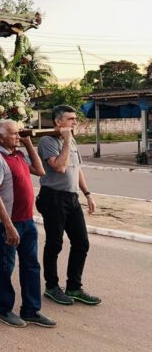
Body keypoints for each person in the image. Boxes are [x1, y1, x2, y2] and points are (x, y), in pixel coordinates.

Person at [0, 119, 56, 328]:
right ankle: (3, 308)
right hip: (8, 223)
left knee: (31, 265)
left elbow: (40, 170)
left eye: (19, 133)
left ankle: (31, 310)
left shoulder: (17, 154)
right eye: (14, 134)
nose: (18, 136)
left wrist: (27, 144)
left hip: (26, 219)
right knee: (6, 266)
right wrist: (8, 226)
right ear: (0, 137)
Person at [36, 105, 101, 306]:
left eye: (75, 119)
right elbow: (60, 167)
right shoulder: (48, 141)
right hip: (53, 197)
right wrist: (66, 141)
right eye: (70, 119)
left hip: (71, 198)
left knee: (81, 242)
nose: (75, 122)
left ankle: (74, 287)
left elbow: (77, 169)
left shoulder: (71, 141)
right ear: (58, 122)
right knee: (55, 243)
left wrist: (87, 194)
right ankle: (52, 287)